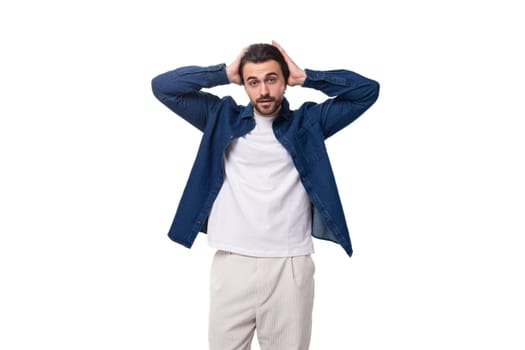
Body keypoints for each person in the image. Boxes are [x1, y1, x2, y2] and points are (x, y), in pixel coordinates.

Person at [151, 41, 379, 350]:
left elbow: (367, 91)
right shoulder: (220, 118)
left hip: (290, 265)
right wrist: (223, 73)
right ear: (243, 84)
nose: (264, 91)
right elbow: (164, 87)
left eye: (271, 79)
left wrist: (308, 77)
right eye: (253, 82)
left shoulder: (308, 123)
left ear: (284, 80)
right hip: (232, 262)